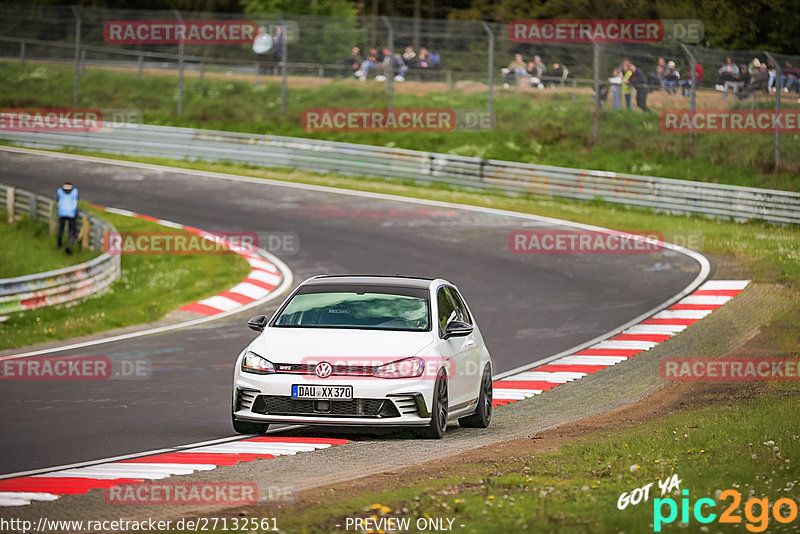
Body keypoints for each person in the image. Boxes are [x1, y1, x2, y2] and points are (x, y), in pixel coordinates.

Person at [56, 181, 79, 254]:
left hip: (62, 213)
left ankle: (59, 245)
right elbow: (77, 201)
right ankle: (69, 245)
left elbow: (57, 200)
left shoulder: (60, 191)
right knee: (71, 230)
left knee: (60, 229)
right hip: (71, 214)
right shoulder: (75, 192)